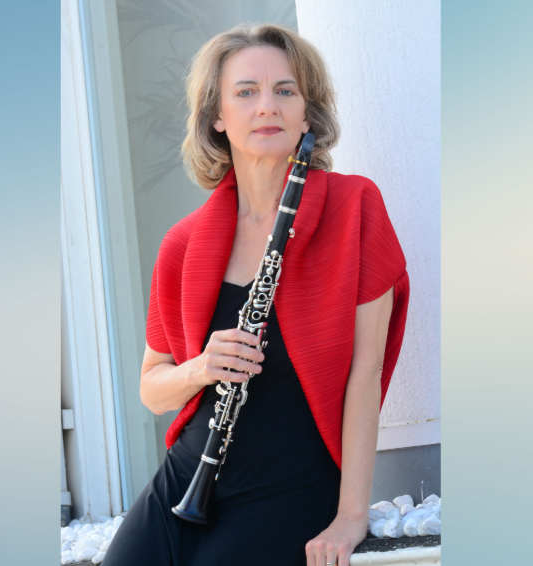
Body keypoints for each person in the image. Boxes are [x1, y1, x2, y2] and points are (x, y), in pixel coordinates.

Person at [102, 23, 409, 566]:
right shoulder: (182, 244)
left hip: (289, 488)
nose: (267, 105)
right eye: (246, 92)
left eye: (285, 90)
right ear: (217, 116)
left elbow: (367, 375)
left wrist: (350, 516)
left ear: (307, 112)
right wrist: (202, 368)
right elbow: (153, 390)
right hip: (185, 480)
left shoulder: (354, 208)